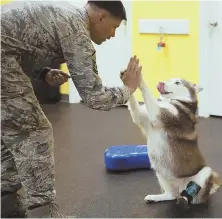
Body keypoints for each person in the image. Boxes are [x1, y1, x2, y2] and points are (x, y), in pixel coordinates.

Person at [1, 0, 141, 218]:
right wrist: (128, 89)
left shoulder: (66, 15)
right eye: (113, 27)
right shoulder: (77, 32)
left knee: (11, 129)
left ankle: (6, 203)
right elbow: (94, 97)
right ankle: (43, 213)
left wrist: (44, 73)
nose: (112, 35)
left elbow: (22, 43)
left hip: (5, 55)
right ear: (101, 17)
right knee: (34, 131)